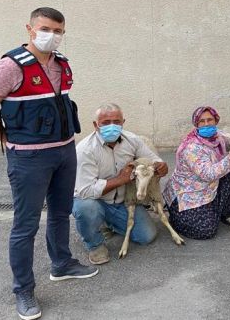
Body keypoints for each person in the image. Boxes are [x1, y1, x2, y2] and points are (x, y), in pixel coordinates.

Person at [0, 7, 97, 320]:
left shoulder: (61, 64)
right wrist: (7, 138)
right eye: (45, 28)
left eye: (58, 31)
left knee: (59, 213)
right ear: (30, 28)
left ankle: (62, 264)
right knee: (25, 225)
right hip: (28, 157)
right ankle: (23, 290)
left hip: (65, 151)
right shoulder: (10, 67)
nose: (51, 35)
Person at [72, 103, 168, 265]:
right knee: (85, 208)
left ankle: (108, 223)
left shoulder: (132, 140)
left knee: (147, 236)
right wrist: (120, 180)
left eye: (116, 122)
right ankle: (94, 244)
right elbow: (85, 190)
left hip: (123, 202)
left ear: (123, 122)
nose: (112, 126)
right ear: (96, 125)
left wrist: (160, 165)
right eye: (106, 122)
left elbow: (152, 158)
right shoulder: (85, 149)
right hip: (96, 201)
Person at [163, 106, 230, 239]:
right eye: (202, 121)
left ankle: (223, 212)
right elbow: (208, 174)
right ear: (196, 124)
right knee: (206, 230)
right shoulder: (191, 147)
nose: (206, 124)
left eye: (210, 120)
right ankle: (176, 218)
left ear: (216, 121)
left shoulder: (218, 136)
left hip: (210, 186)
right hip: (189, 192)